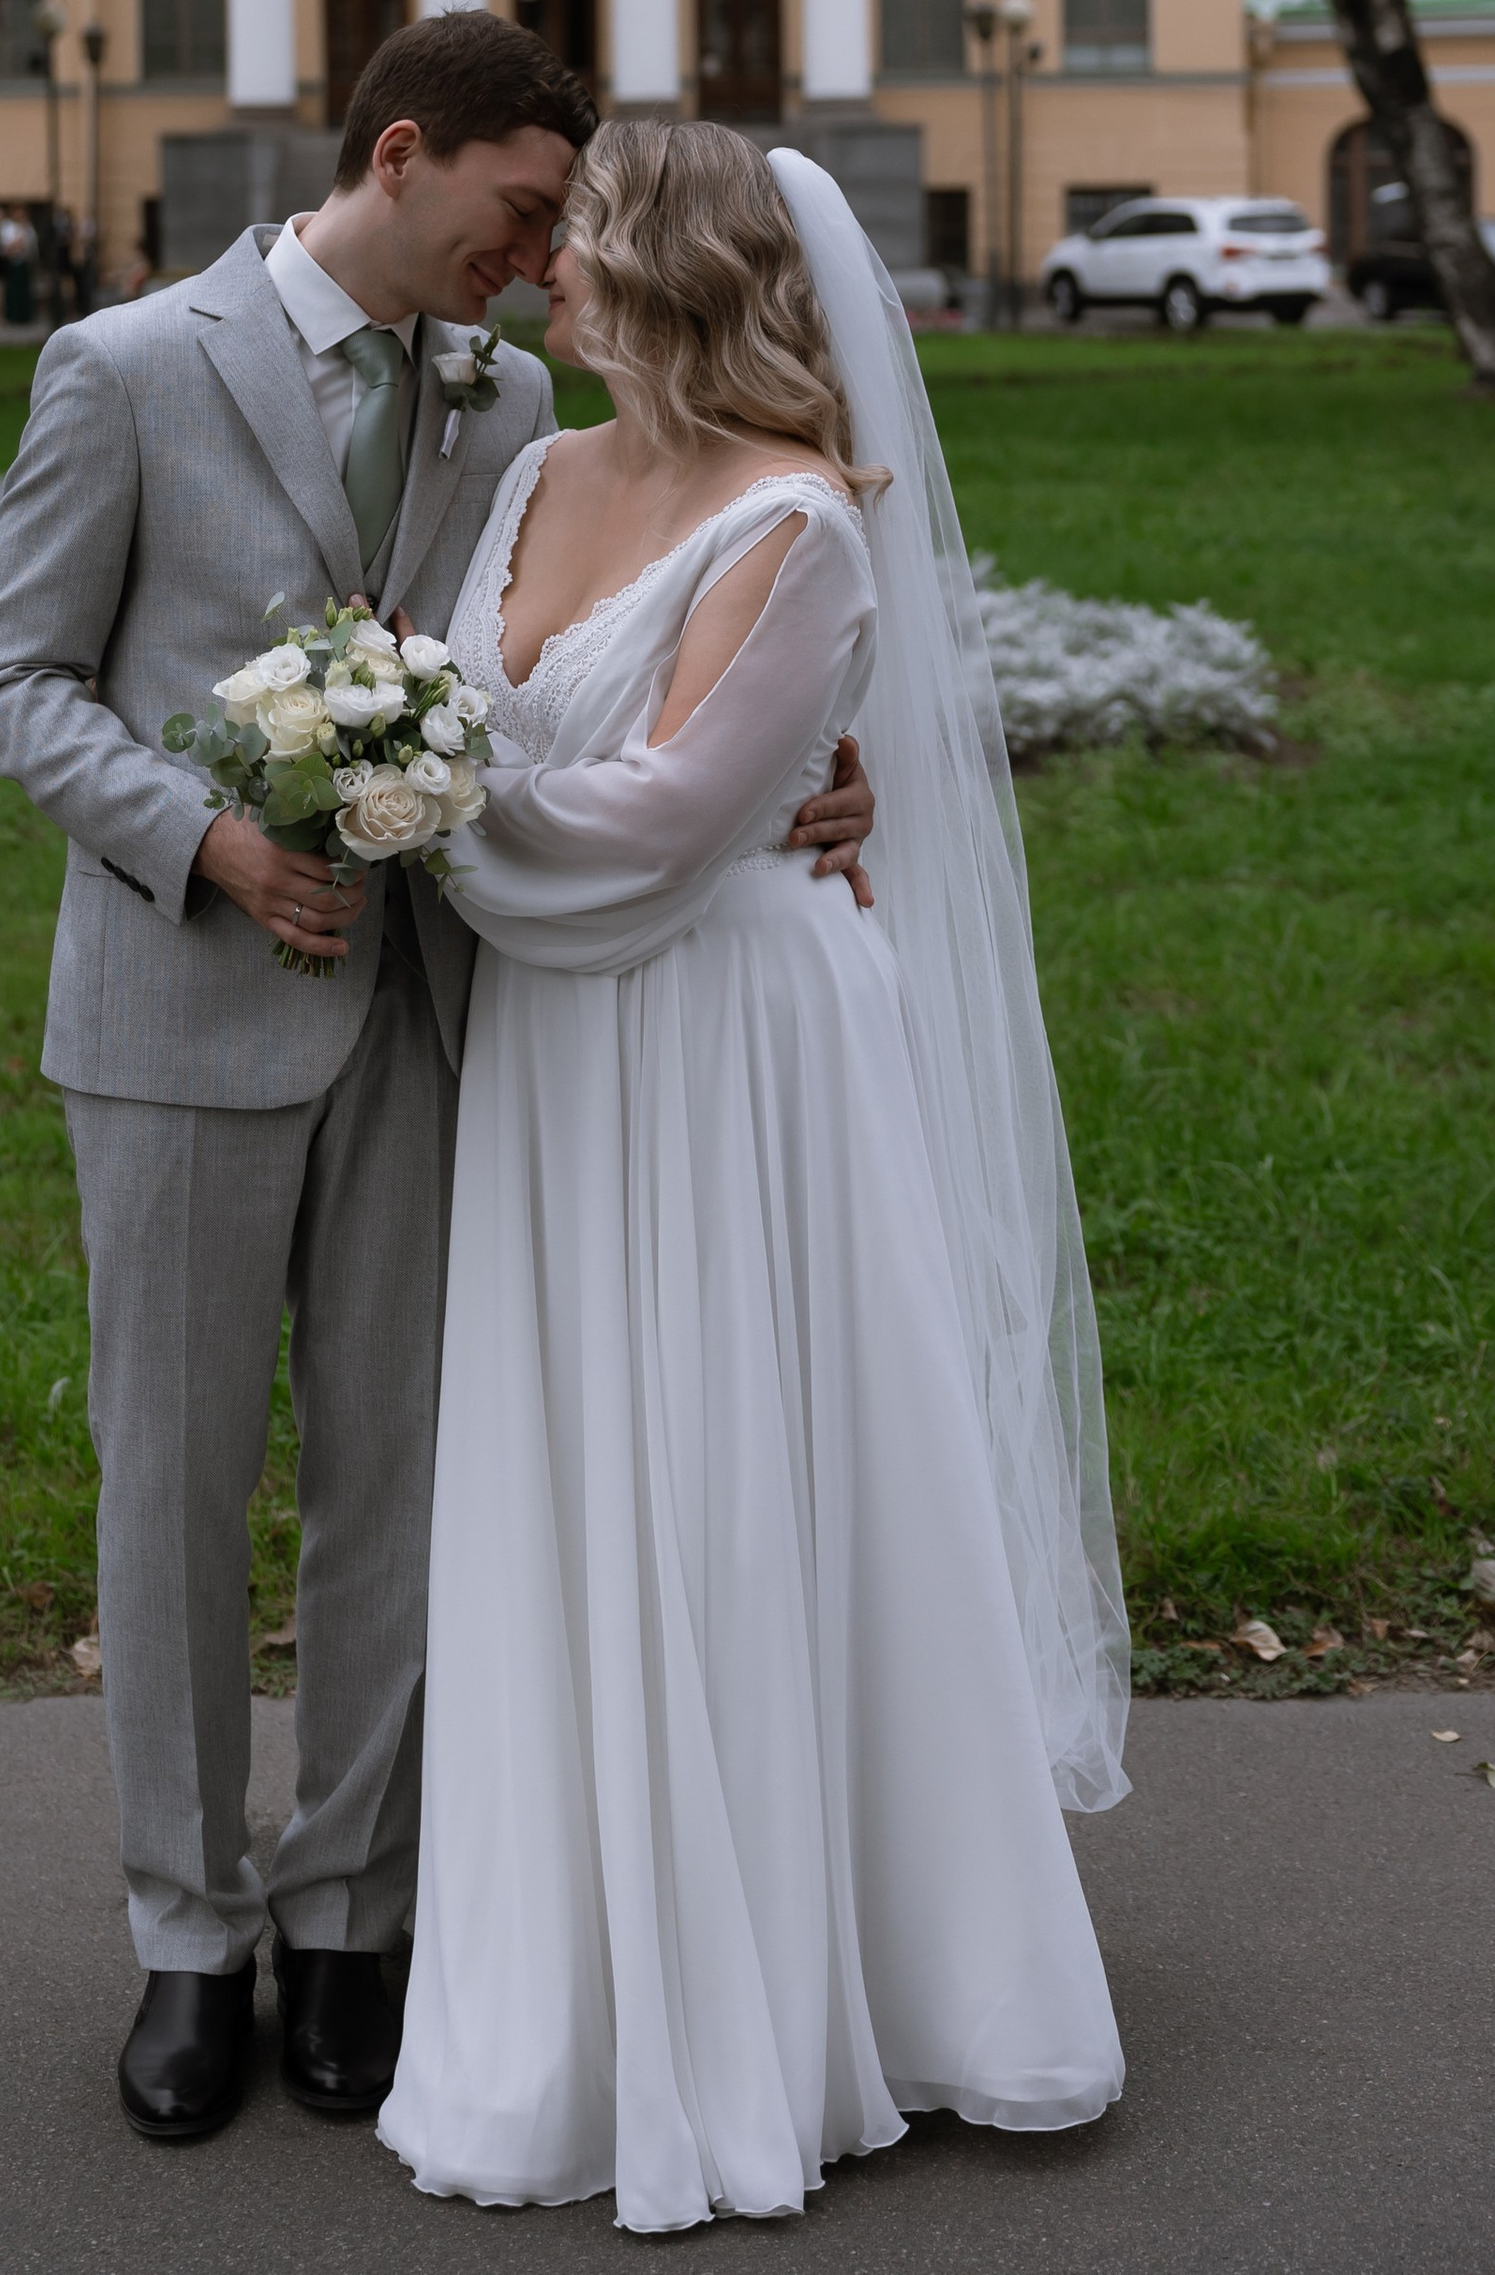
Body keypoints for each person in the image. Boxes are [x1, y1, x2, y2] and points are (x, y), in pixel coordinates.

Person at [0, 19, 877, 2146]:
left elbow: (596, 655)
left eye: (564, 228)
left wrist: (801, 785)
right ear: (401, 155)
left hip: (446, 1012)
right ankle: (187, 1940)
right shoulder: (125, 367)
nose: (544, 263)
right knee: (173, 1490)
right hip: (182, 1013)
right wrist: (201, 838)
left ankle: (348, 1920)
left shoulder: (518, 398)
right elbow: (4, 675)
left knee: (403, 1483)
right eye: (522, 213)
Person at [379, 121, 1129, 2233]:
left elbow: (658, 818)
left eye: (579, 252)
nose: (541, 278)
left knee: (742, 1471)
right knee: (575, 1476)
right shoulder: (534, 472)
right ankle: (583, 1988)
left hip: (729, 1040)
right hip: (556, 1049)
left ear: (670, 280)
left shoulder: (804, 524)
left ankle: (822, 1987)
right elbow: (488, 724)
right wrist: (399, 770)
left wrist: (399, 801)